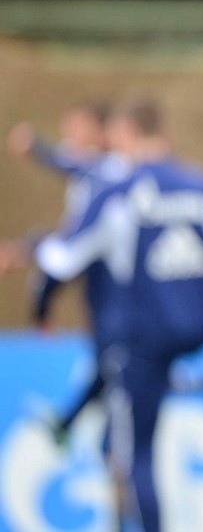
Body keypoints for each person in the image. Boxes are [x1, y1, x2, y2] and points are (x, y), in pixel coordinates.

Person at [32, 97, 203, 532]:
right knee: (123, 415)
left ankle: (69, 425)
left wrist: (41, 311)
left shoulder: (116, 190)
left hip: (136, 334)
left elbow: (59, 261)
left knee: (130, 453)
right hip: (198, 325)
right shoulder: (202, 185)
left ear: (124, 133)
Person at [6, 100, 131, 443]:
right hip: (99, 277)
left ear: (101, 132)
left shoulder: (113, 170)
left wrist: (37, 149)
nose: (69, 135)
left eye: (77, 127)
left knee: (121, 363)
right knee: (114, 363)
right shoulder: (93, 175)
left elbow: (74, 240)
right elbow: (73, 232)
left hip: (123, 284)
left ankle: (70, 424)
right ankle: (69, 424)